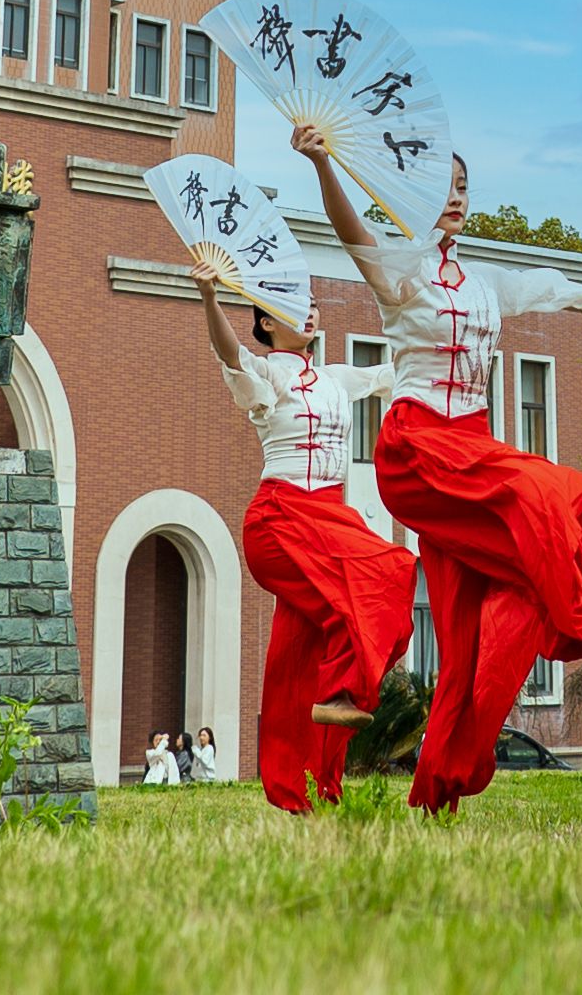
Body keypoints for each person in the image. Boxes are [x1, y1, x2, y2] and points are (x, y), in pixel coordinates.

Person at [298, 123, 582, 813]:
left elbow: (555, 290)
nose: (454, 197)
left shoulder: (486, 284)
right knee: (544, 487)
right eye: (441, 188)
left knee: (482, 629)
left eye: (463, 187)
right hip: (420, 454)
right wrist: (325, 164)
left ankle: (439, 786)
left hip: (473, 451)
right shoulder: (403, 270)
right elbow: (349, 227)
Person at [197, 267, 411, 814]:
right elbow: (230, 356)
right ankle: (342, 693)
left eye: (312, 303)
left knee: (298, 661)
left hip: (331, 521)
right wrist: (208, 296)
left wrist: (432, 333)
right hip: (281, 519)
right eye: (294, 305)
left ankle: (312, 789)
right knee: (381, 573)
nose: (310, 311)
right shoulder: (267, 374)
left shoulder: (337, 379)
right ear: (266, 322)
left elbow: (394, 374)